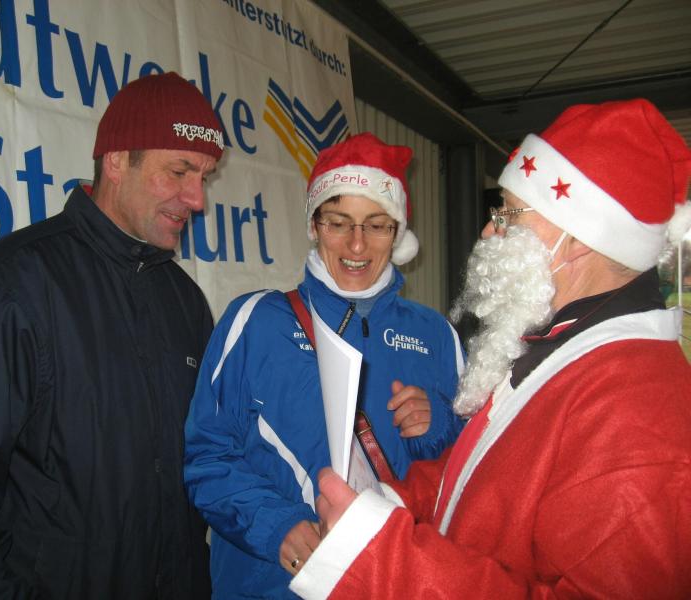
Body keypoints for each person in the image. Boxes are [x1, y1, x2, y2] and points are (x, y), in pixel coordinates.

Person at [288, 98, 691, 599]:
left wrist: (376, 557)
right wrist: (386, 504)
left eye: (508, 212)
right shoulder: (562, 345)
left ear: (579, 238)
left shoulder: (637, 413)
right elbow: (475, 479)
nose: (488, 228)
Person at [0, 72, 223, 599]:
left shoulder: (185, 302)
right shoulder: (3, 290)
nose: (197, 199)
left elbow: (207, 462)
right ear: (117, 160)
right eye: (179, 171)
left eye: (204, 176)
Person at [184, 132, 465, 598]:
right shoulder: (256, 321)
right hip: (273, 585)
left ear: (398, 234)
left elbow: (472, 473)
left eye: (377, 225)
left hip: (392, 581)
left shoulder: (436, 335)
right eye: (339, 223)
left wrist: (439, 426)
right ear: (314, 226)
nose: (357, 245)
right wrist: (276, 527)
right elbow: (207, 457)